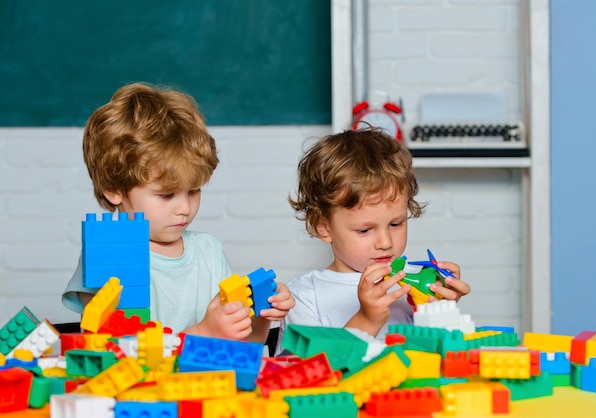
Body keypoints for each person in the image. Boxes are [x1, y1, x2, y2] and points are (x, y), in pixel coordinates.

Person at [62, 82, 294, 342]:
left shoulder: (208, 252)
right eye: (167, 195)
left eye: (194, 191)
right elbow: (114, 353)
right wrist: (203, 332)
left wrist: (260, 314)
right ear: (113, 189)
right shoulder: (106, 256)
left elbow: (243, 351)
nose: (185, 208)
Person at [278, 128, 471, 350]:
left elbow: (439, 360)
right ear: (323, 227)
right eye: (364, 230)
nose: (385, 242)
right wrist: (367, 319)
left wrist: (440, 312)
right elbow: (306, 374)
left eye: (396, 224)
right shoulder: (303, 296)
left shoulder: (409, 284)